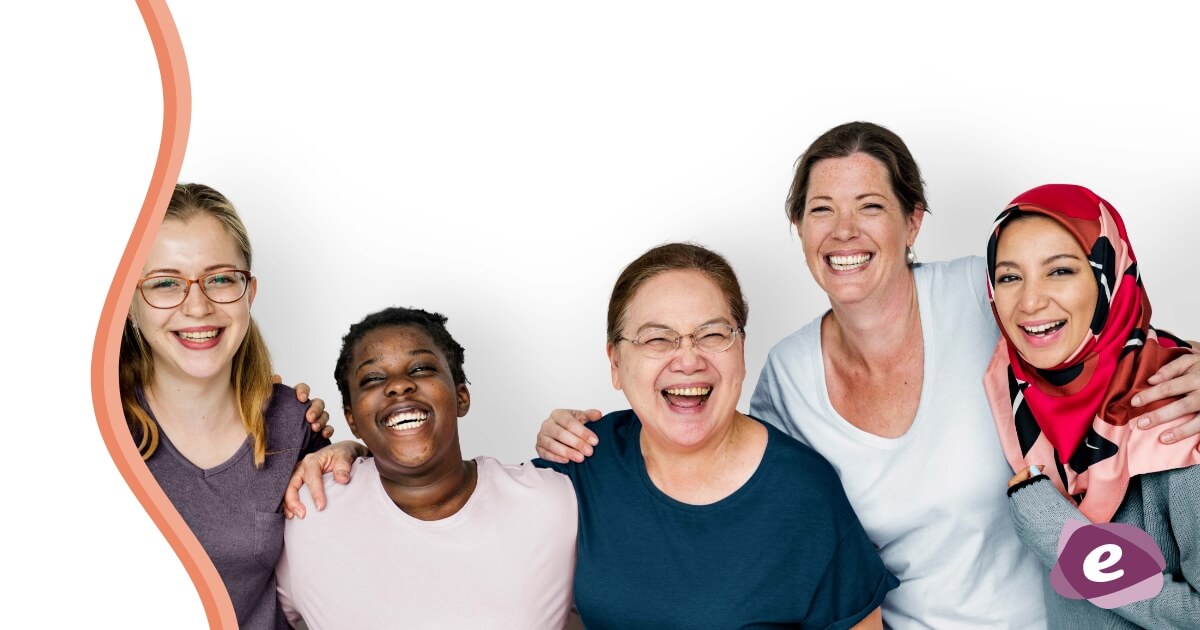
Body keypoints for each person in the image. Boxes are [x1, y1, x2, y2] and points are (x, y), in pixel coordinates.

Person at [533, 122, 1200, 628]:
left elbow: (1111, 329)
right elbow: (724, 468)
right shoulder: (788, 374)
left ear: (913, 222)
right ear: (798, 228)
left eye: (870, 206)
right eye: (821, 208)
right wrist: (589, 435)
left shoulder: (985, 292)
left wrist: (1194, 364)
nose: (844, 230)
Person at [286, 244, 896, 629]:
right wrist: (353, 453)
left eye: (712, 333)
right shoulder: (578, 468)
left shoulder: (802, 491)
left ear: (741, 348)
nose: (688, 359)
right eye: (657, 338)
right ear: (614, 363)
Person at [275, 307, 578, 629]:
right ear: (352, 419)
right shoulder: (309, 512)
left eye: (420, 369)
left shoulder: (550, 501)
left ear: (461, 396)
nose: (399, 386)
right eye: (373, 378)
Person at [986, 184, 1200, 628]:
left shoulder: (1179, 418)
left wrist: (1067, 541)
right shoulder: (1015, 392)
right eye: (1009, 277)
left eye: (1059, 271)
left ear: (1109, 276)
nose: (1029, 301)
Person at [121, 183, 332, 630]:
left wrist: (351, 451)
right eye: (165, 283)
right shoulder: (99, 426)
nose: (197, 306)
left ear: (249, 291)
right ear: (128, 303)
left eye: (220, 278)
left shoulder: (293, 423)